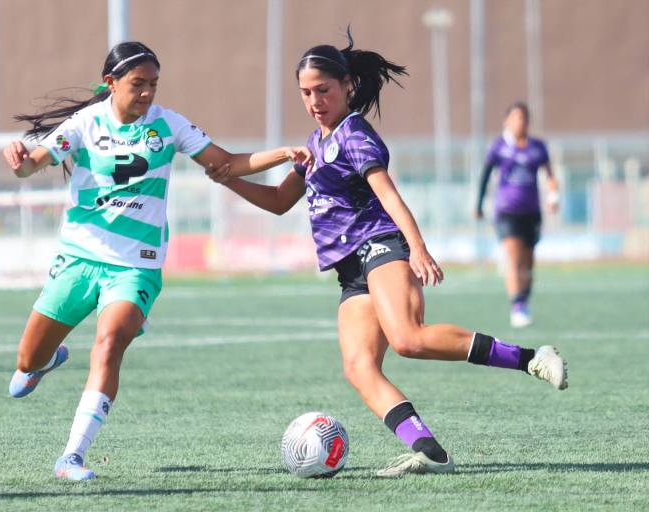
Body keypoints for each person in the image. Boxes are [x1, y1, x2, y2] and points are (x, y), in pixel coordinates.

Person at [205, 31, 568, 478]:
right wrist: (228, 180)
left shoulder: (354, 135)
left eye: (324, 90)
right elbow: (281, 201)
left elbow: (388, 195)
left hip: (379, 245)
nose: (315, 100)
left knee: (408, 338)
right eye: (306, 92)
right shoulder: (315, 143)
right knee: (359, 367)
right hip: (350, 269)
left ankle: (530, 356)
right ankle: (429, 451)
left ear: (346, 87)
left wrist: (417, 247)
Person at [2, 41, 308, 481]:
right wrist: (17, 161)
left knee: (109, 344)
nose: (147, 94)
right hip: (79, 256)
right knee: (27, 360)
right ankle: (45, 362)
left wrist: (282, 154)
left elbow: (225, 163)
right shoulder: (86, 123)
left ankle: (70, 457)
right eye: (137, 84)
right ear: (111, 83)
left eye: (153, 85)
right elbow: (30, 165)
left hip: (136, 265)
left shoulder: (168, 125)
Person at [476, 102, 559, 327]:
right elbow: (485, 174)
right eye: (515, 117)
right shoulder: (499, 147)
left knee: (528, 263)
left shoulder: (538, 147)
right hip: (506, 211)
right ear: (507, 121)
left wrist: (553, 196)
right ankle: (517, 305)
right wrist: (479, 203)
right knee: (512, 258)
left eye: (523, 118)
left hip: (531, 212)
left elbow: (550, 173)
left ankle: (524, 299)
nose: (519, 122)